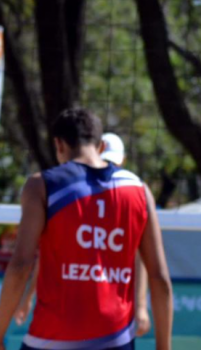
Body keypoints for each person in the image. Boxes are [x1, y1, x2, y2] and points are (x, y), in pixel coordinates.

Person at [0, 109, 173, 350]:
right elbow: (160, 279)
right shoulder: (139, 191)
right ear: (100, 146)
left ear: (59, 145)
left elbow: (20, 266)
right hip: (113, 349)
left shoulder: (41, 185)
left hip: (48, 345)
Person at [14, 132, 152, 337]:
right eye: (107, 163)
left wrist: (141, 306)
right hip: (71, 312)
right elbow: (48, 253)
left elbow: (143, 259)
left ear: (122, 161)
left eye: (114, 164)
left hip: (108, 316)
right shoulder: (75, 200)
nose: (110, 168)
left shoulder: (130, 198)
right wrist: (27, 296)